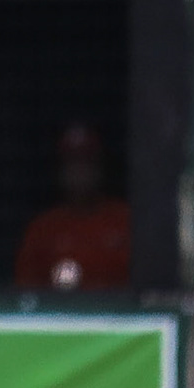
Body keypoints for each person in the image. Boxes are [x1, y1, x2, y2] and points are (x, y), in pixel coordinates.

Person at [14, 123, 130, 291]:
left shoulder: (125, 220)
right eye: (73, 163)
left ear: (99, 167)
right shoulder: (43, 229)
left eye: (86, 162)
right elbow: (24, 294)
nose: (80, 171)